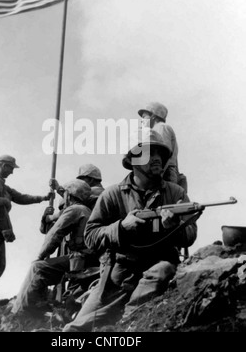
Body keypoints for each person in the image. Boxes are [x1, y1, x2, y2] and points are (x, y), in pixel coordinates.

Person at [63, 128, 198, 332]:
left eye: (160, 154)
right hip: (118, 274)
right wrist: (121, 227)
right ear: (133, 159)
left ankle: (128, 323)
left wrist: (176, 227)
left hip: (158, 270)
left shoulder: (176, 193)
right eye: (148, 153)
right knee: (72, 331)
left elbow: (190, 236)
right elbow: (90, 237)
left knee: (159, 275)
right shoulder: (112, 194)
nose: (157, 159)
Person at [0, 155, 52, 306]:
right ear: (3, 166)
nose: (12, 172)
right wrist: (4, 201)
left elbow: (20, 197)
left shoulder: (1, 184)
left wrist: (42, 198)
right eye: (10, 168)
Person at [12, 179, 98, 314]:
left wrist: (40, 256)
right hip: (87, 258)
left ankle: (20, 312)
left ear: (69, 196)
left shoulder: (75, 209)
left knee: (38, 268)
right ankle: (40, 307)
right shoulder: (85, 210)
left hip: (82, 259)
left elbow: (55, 234)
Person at [40, 164, 105, 234]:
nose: (79, 182)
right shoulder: (90, 194)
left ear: (91, 179)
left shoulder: (98, 192)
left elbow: (77, 199)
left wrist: (50, 217)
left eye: (81, 179)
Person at [138, 102, 188, 193]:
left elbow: (163, 155)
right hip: (163, 172)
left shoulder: (161, 127)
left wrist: (156, 179)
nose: (142, 120)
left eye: (144, 117)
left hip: (165, 173)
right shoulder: (156, 129)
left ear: (153, 116)